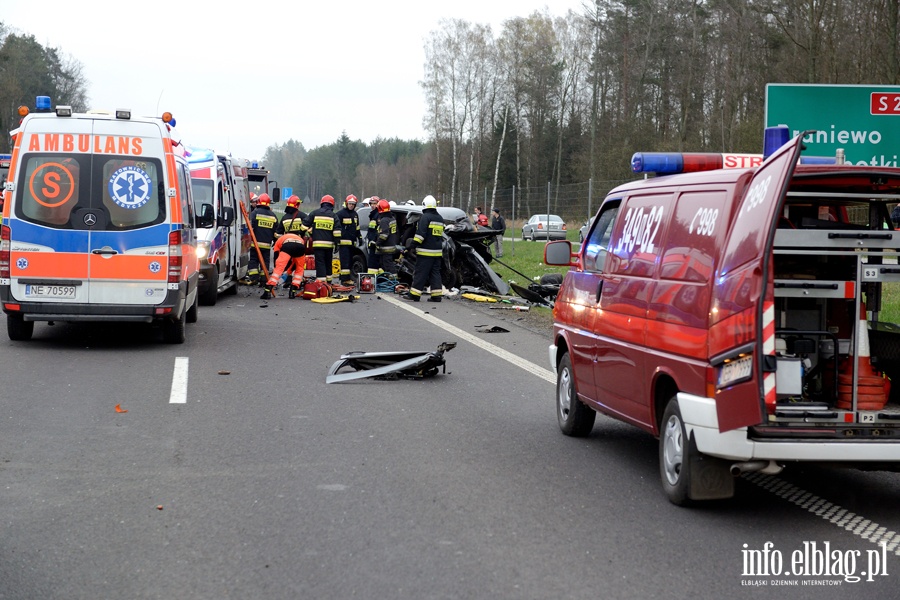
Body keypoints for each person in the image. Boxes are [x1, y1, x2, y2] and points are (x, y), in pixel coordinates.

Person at [402, 195, 444, 302]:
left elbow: (420, 235)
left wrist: (411, 246)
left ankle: (414, 295)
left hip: (426, 252)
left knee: (420, 273)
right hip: (437, 252)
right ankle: (436, 295)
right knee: (435, 273)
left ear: (425, 205)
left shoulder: (425, 217)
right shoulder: (440, 218)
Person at [302, 194, 341, 285]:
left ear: (321, 203)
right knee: (328, 262)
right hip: (329, 245)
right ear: (332, 205)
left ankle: (321, 283)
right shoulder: (334, 216)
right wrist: (337, 244)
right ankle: (329, 282)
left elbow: (304, 225)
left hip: (317, 244)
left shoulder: (314, 213)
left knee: (320, 263)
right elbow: (337, 232)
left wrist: (303, 233)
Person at [261, 233, 308, 300]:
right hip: (300, 247)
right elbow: (294, 263)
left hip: (288, 246)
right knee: (300, 268)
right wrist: (288, 271)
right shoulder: (299, 238)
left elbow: (276, 256)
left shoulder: (279, 241)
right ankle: (292, 291)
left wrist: (280, 268)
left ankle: (268, 290)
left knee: (279, 268)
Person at [246, 192, 277, 285]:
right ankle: (264, 280)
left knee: (254, 260)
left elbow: (251, 227)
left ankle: (254, 278)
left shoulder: (254, 213)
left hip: (255, 244)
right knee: (265, 261)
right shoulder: (273, 215)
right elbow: (275, 231)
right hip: (267, 245)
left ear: (259, 202)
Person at [336, 194, 361, 286]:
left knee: (350, 261)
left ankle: (346, 278)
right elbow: (337, 228)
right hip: (343, 243)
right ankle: (344, 280)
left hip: (352, 243)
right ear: (346, 203)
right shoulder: (340, 214)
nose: (351, 205)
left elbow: (357, 227)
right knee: (345, 261)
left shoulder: (355, 214)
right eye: (350, 204)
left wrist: (360, 237)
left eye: (353, 204)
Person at [373, 199, 399, 275]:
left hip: (386, 248)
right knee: (385, 264)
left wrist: (377, 243)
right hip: (392, 246)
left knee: (388, 265)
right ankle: (388, 280)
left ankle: (392, 282)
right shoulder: (392, 218)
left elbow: (384, 235)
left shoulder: (384, 220)